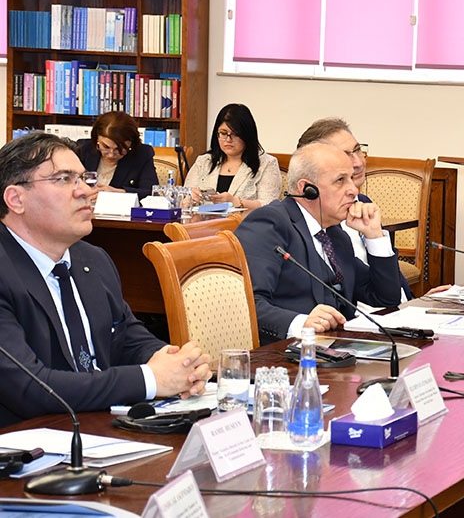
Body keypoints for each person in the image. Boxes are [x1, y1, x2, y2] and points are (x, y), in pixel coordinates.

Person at [0, 133, 211, 427]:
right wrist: (150, 379)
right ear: (16, 199)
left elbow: (128, 338)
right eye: (64, 179)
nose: (85, 191)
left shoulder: (93, 259)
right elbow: (30, 387)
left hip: (102, 427)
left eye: (83, 179)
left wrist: (178, 364)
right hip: (28, 439)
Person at [234, 142, 402, 346]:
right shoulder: (270, 224)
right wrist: (301, 324)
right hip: (286, 354)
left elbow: (386, 298)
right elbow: (246, 304)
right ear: (307, 189)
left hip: (340, 350)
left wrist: (374, 235)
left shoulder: (336, 235)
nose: (353, 190)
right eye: (340, 180)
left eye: (351, 178)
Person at [296, 118, 451, 301]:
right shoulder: (318, 222)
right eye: (345, 155)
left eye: (357, 150)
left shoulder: (364, 203)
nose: (358, 163)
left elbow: (390, 281)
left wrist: (418, 302)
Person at [185, 103, 282, 210]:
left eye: (235, 134)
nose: (228, 140)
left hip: (245, 220)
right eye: (223, 133)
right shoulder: (204, 161)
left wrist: (236, 202)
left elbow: (270, 206)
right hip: (203, 219)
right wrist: (190, 198)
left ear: (247, 135)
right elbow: (183, 198)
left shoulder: (267, 163)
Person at [76, 111, 158, 200]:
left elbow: (151, 192)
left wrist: (118, 193)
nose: (111, 155)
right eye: (106, 147)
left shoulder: (142, 154)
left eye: (119, 149)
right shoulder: (83, 149)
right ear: (96, 139)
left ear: (131, 143)